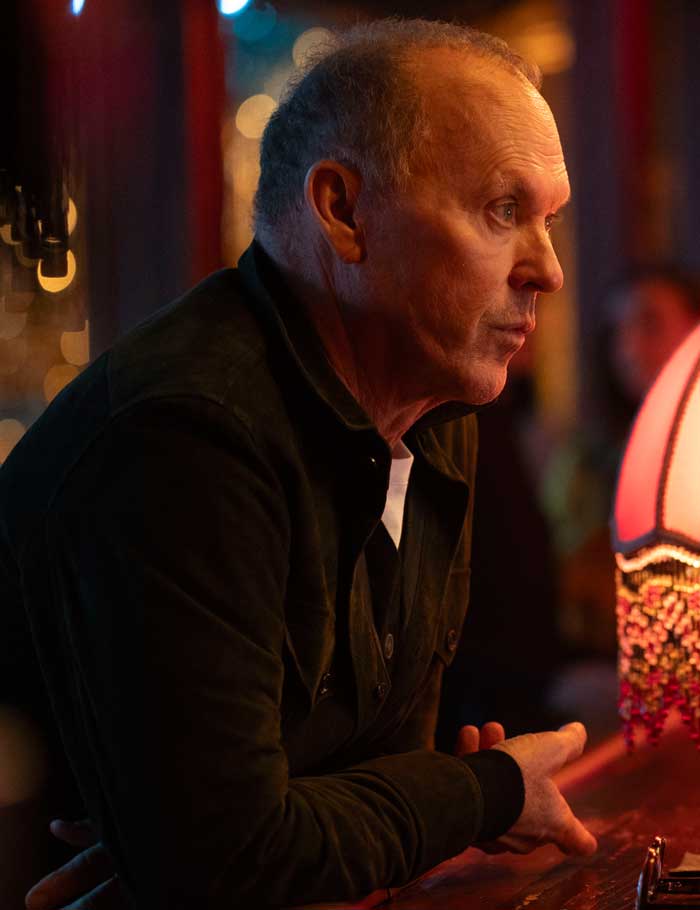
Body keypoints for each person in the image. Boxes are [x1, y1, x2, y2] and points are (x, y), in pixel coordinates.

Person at [0, 19, 596, 909]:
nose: (547, 270)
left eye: (548, 219)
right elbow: (230, 860)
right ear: (344, 212)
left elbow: (362, 779)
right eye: (503, 210)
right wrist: (481, 792)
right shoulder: (188, 431)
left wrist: (337, 820)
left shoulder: (433, 404)